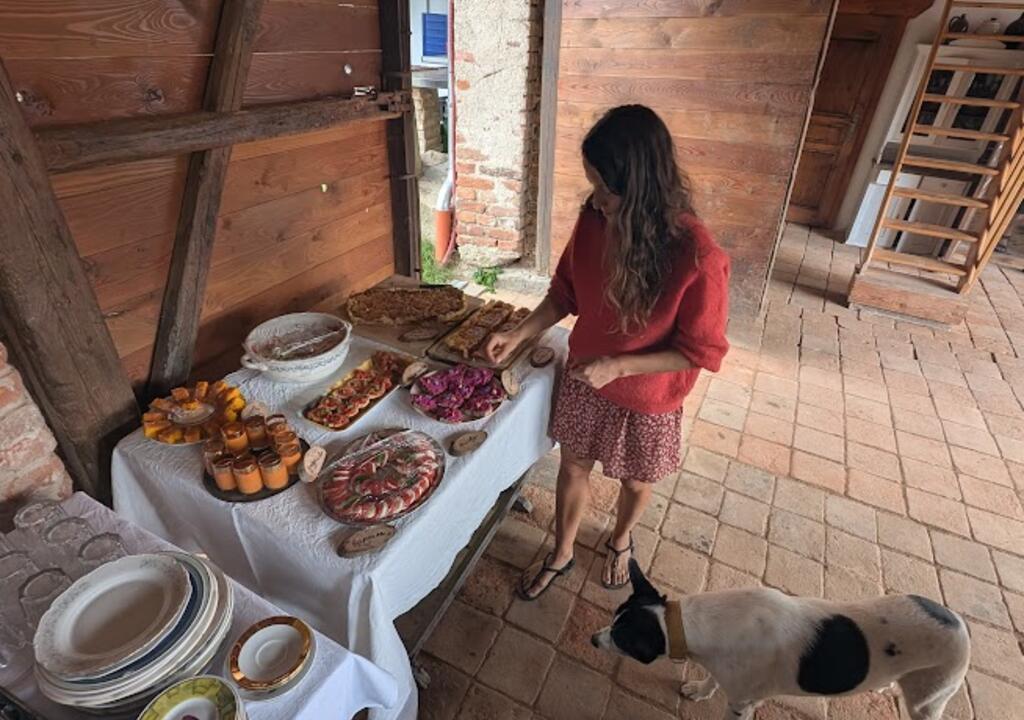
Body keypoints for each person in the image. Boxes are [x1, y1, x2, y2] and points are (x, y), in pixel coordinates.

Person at [485, 104, 730, 599]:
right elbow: (565, 293)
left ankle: (620, 540)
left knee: (636, 482)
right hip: (586, 378)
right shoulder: (595, 220)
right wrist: (520, 333)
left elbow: (700, 351)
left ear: (642, 190)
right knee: (573, 467)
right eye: (592, 183)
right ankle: (562, 551)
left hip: (648, 397)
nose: (595, 200)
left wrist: (619, 366)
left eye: (605, 188)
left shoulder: (698, 257)